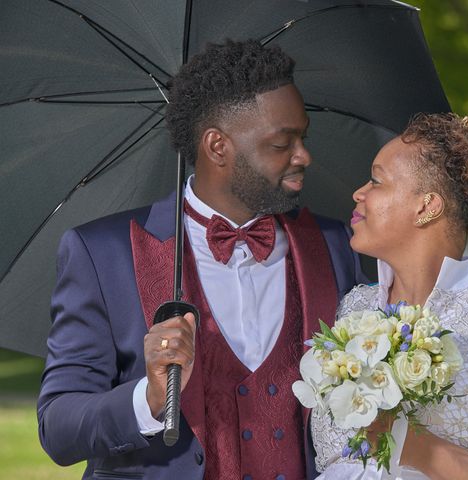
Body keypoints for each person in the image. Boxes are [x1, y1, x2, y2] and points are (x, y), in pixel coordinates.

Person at [38, 39, 366, 480]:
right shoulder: (101, 252)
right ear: (217, 147)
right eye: (281, 143)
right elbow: (58, 426)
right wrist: (149, 398)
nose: (303, 156)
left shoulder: (333, 243)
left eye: (302, 138)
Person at [310, 113, 468, 479]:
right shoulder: (349, 310)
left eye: (376, 180)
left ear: (426, 206)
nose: (359, 193)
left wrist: (422, 450)